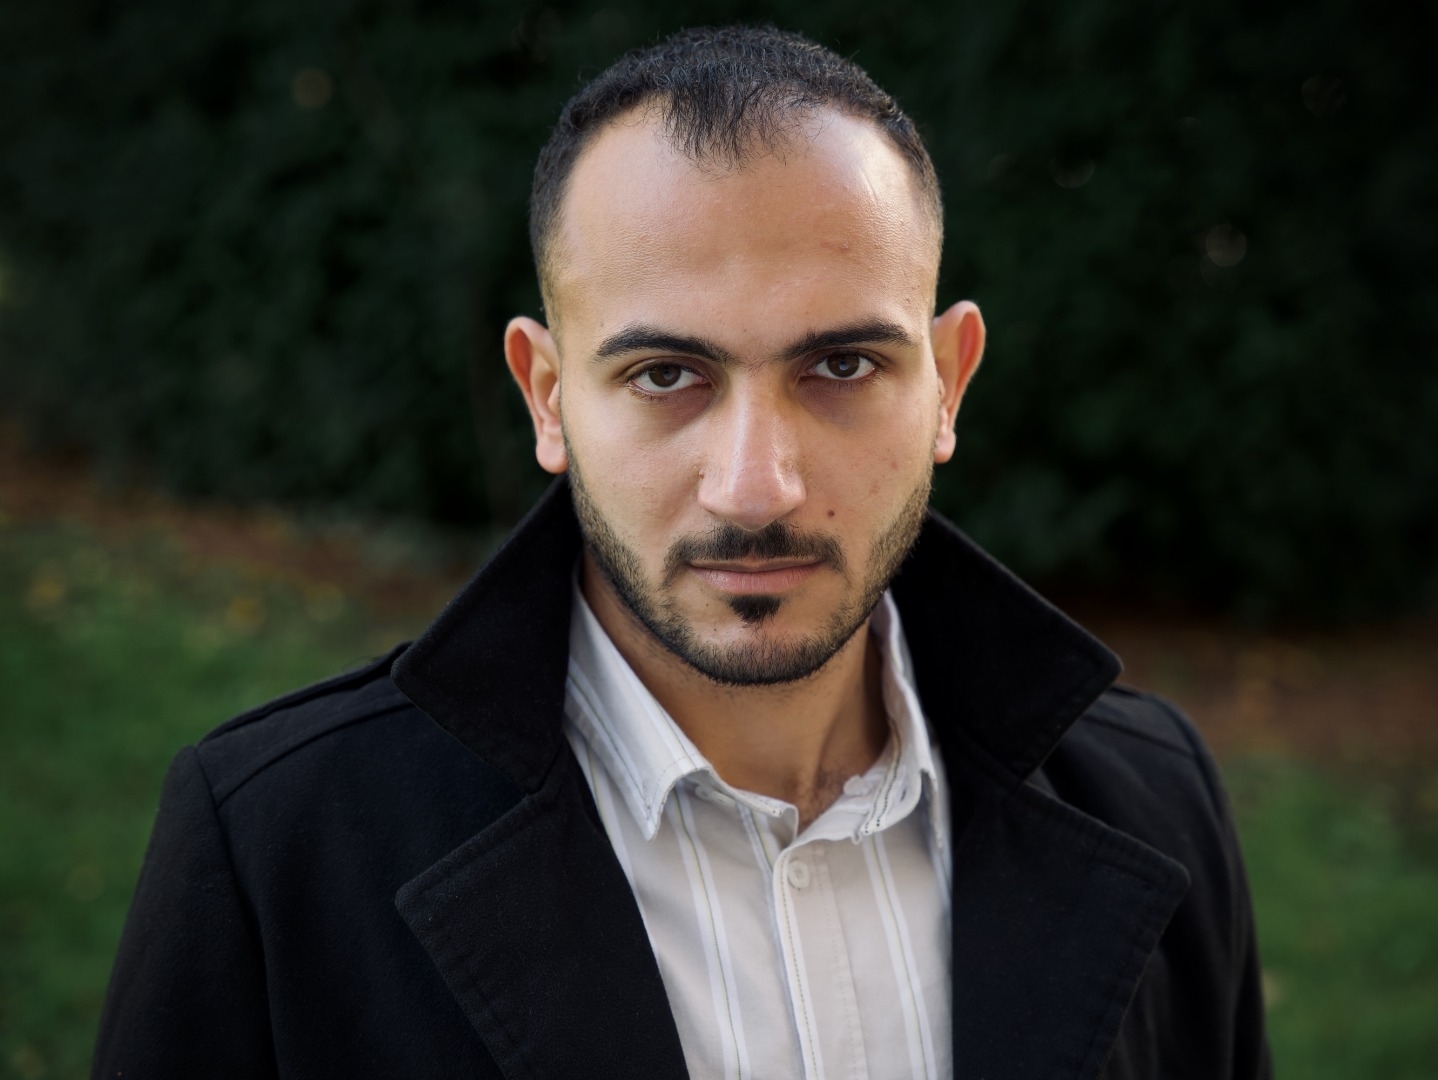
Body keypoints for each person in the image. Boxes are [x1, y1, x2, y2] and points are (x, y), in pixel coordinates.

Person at [93, 26, 1270, 1080]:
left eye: (842, 366)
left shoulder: (1155, 796)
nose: (756, 485)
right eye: (666, 375)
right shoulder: (277, 848)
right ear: (547, 395)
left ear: (948, 383)